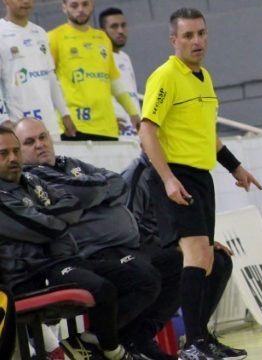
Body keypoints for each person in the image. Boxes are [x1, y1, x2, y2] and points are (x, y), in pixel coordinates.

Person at [139, 7, 260, 360]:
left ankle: (201, 338)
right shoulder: (165, 76)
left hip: (200, 176)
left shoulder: (203, 78)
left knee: (208, 259)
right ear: (173, 40)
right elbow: (147, 131)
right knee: (195, 254)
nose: (197, 41)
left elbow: (208, 135)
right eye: (188, 35)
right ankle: (192, 344)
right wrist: (168, 179)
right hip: (176, 173)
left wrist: (235, 167)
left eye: (201, 34)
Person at [14, 117, 176, 359]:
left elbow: (117, 183)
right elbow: (86, 191)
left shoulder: (68, 163)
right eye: (29, 142)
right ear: (19, 151)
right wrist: (97, 191)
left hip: (127, 245)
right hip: (92, 252)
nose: (39, 145)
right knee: (145, 278)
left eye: (43, 137)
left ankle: (136, 337)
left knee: (180, 264)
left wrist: (92, 192)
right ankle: (100, 338)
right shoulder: (33, 178)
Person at [0, 126, 136, 359]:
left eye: (16, 151)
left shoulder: (32, 179)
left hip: (63, 261)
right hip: (27, 278)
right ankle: (111, 350)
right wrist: (54, 217)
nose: (13, 158)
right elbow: (43, 228)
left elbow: (72, 202)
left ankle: (108, 343)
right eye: (3, 153)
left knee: (140, 276)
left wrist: (44, 212)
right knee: (102, 289)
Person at [122, 152, 236, 360]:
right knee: (183, 263)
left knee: (219, 260)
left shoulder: (180, 170)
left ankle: (200, 335)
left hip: (169, 244)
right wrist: (180, 247)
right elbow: (128, 229)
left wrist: (203, 244)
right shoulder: (139, 174)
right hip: (137, 250)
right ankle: (141, 336)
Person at [48, 0, 140, 141]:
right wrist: (63, 115)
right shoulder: (54, 37)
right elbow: (49, 81)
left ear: (92, 4)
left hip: (107, 127)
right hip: (75, 126)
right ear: (64, 8)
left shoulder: (102, 38)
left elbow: (114, 81)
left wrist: (133, 112)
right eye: (74, 5)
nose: (80, 9)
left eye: (85, 4)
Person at [0, 0, 76, 136]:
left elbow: (50, 76)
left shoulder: (40, 33)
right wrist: (3, 118)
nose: (26, 1)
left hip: (48, 121)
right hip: (18, 122)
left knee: (52, 159)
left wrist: (65, 113)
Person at [99, 7, 140, 136]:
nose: (120, 31)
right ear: (103, 31)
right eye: (114, 27)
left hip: (134, 127)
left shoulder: (125, 57)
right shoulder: (98, 58)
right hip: (116, 128)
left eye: (123, 26)